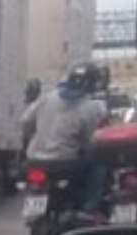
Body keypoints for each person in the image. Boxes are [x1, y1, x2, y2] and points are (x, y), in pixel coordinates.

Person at [21, 62, 109, 212]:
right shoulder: (90, 107)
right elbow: (89, 142)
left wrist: (33, 139)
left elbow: (25, 121)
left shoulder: (46, 98)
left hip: (35, 162)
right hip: (66, 164)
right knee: (99, 165)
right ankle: (90, 207)